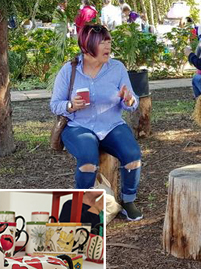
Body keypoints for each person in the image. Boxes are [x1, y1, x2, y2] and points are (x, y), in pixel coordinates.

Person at [50, 24, 143, 221]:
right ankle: (80, 205)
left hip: (111, 125)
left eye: (109, 42)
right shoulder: (69, 70)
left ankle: (128, 201)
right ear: (87, 45)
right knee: (88, 160)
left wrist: (129, 100)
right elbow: (54, 105)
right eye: (102, 42)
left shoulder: (117, 68)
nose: (108, 47)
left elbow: (132, 102)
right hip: (78, 126)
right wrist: (70, 105)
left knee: (133, 155)